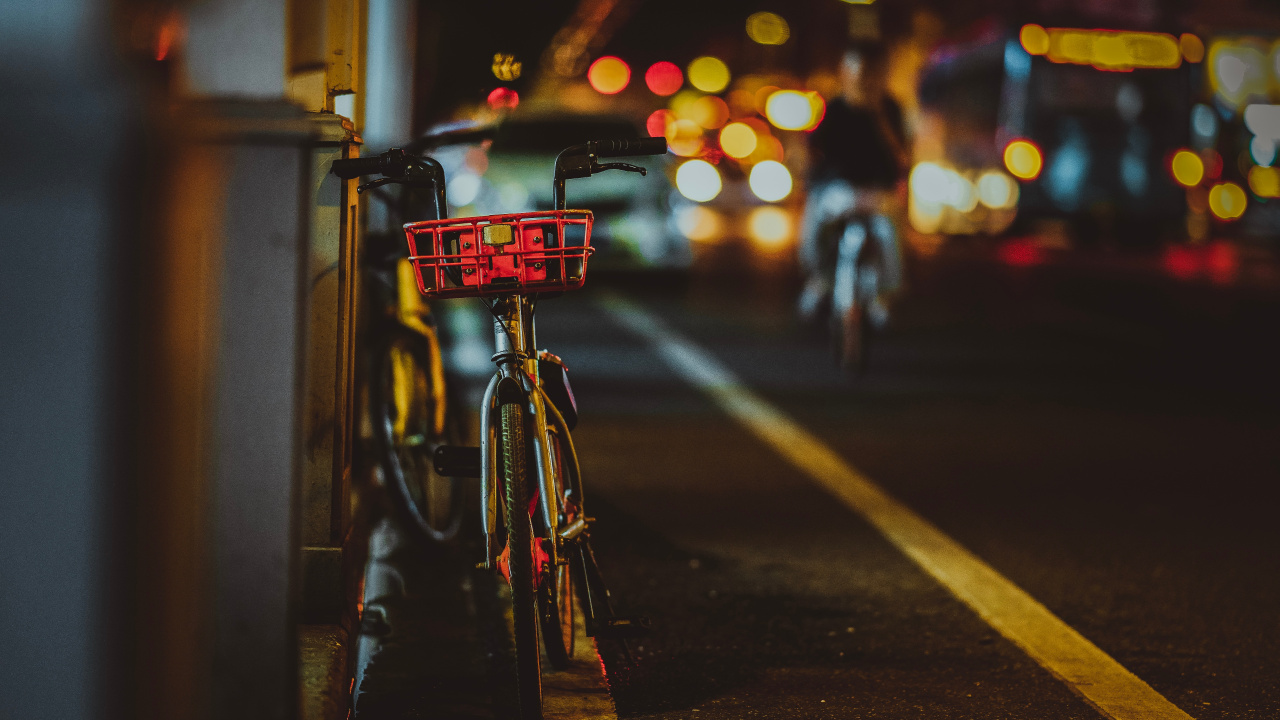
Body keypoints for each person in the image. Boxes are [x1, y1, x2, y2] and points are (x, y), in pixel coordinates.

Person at [798, 43, 909, 326]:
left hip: (879, 191)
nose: (862, 80)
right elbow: (812, 151)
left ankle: (884, 295)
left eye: (869, 74)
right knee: (815, 226)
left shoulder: (890, 109)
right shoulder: (833, 108)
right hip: (838, 190)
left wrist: (879, 117)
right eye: (856, 73)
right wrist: (809, 174)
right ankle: (820, 280)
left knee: (890, 235)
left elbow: (902, 155)